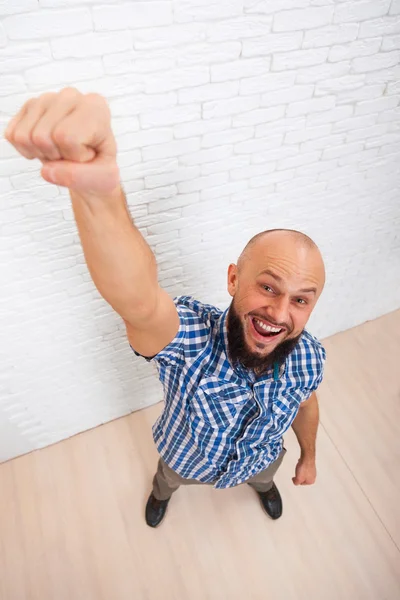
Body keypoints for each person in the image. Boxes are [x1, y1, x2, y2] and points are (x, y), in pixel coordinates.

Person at [5, 88, 326, 529]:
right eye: (268, 286)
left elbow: (307, 406)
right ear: (234, 280)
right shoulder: (192, 341)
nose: (279, 312)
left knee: (265, 476)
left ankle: (263, 484)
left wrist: (307, 458)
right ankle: (162, 494)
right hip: (185, 459)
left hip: (260, 458)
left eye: (301, 299)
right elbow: (138, 300)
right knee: (167, 481)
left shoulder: (310, 356)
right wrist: (97, 192)